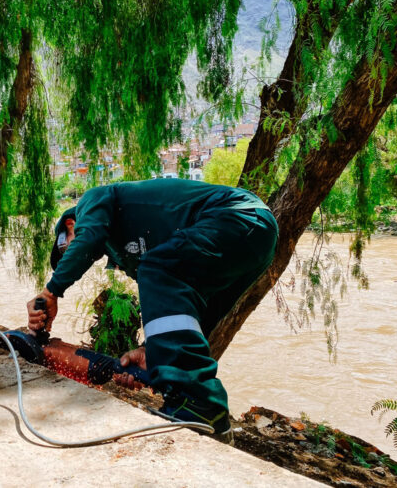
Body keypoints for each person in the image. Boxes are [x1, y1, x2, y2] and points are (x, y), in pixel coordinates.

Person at [26, 178, 278, 442]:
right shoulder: (130, 252)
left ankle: (197, 404)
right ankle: (208, 414)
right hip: (256, 238)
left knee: (155, 268)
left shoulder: (92, 200)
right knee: (194, 307)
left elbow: (89, 237)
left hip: (236, 215)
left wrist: (50, 292)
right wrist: (151, 351)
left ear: (70, 225)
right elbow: (175, 309)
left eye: (67, 249)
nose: (73, 255)